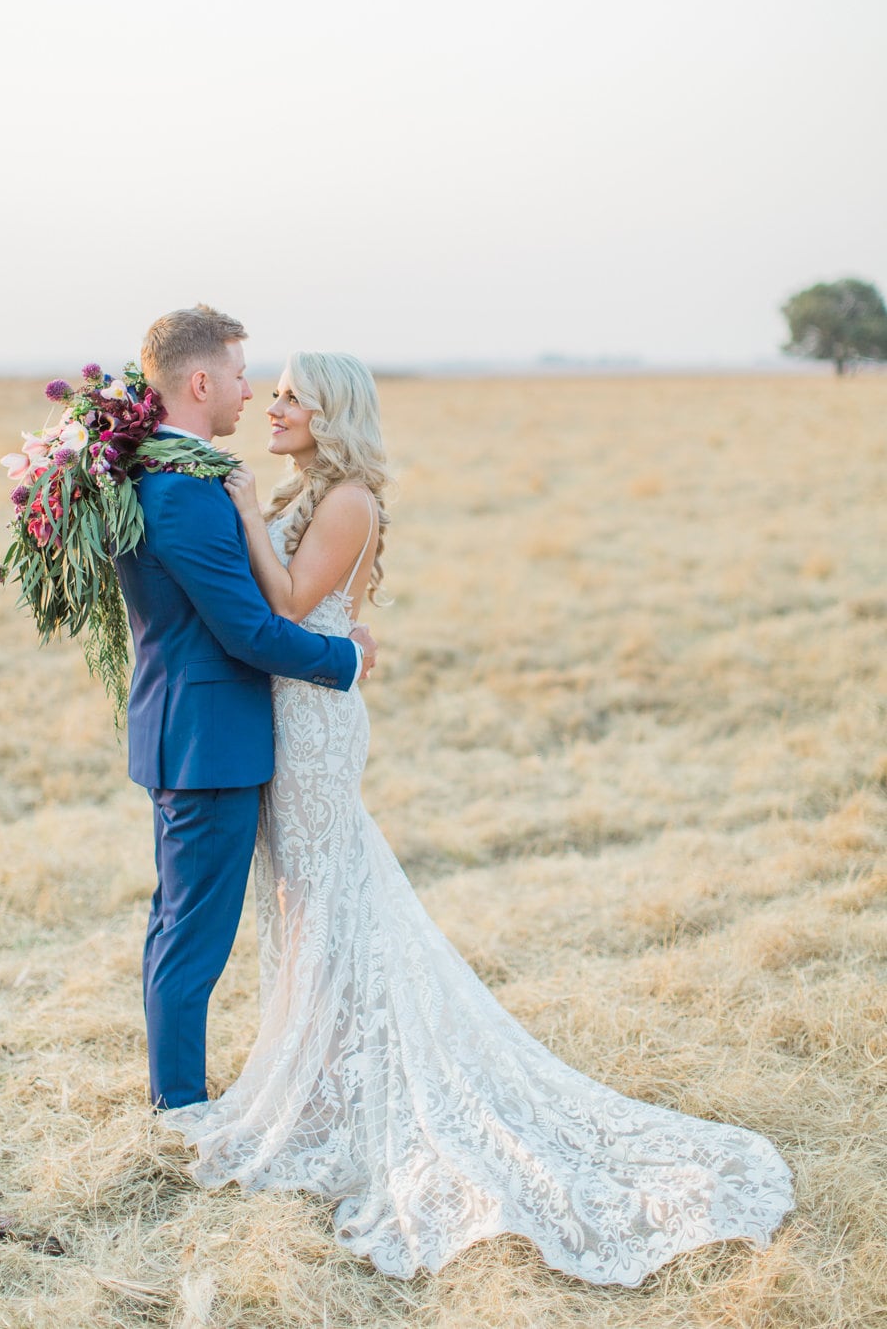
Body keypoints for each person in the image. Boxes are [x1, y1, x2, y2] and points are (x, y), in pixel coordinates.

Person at [162, 350, 794, 1284]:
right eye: (275, 389)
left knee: (330, 896)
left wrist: (250, 517)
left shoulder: (345, 501)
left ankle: (351, 1089)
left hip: (317, 724)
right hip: (287, 712)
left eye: (294, 394)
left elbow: (293, 602)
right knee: (308, 903)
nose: (275, 404)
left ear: (334, 413)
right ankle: (323, 1079)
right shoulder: (308, 491)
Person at [114, 307, 377, 1112]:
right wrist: (347, 657)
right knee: (191, 943)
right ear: (200, 382)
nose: (250, 392)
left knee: (178, 930)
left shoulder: (161, 477)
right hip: (210, 744)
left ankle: (186, 1095)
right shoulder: (186, 493)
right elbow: (249, 630)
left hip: (190, 733)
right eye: (237, 374)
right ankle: (181, 1109)